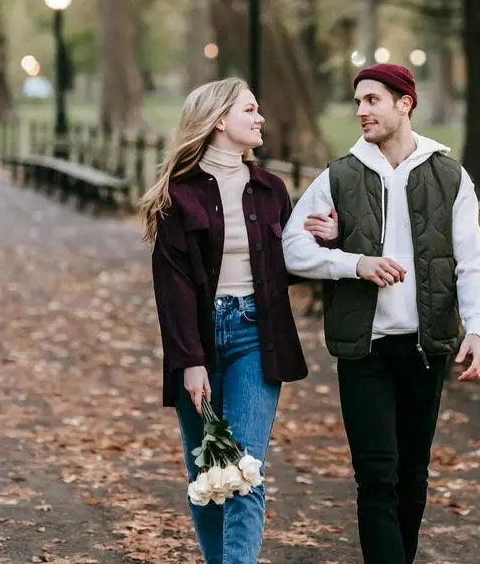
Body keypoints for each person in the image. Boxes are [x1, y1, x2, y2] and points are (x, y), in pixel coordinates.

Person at [284, 62, 480, 564]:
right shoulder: (340, 175)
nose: (361, 111)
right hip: (365, 349)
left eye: (372, 100)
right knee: (377, 476)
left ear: (405, 103)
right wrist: (353, 263)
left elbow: (472, 258)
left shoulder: (448, 174)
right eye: (357, 102)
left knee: (412, 474)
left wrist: (477, 329)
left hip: (427, 347)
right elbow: (291, 247)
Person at [140, 78, 337, 564]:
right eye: (250, 109)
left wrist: (328, 240)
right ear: (220, 120)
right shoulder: (177, 197)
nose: (261, 117)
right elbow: (174, 291)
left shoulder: (271, 190)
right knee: (207, 475)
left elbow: (286, 266)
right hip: (199, 342)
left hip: (257, 336)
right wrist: (190, 362)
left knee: (244, 471)